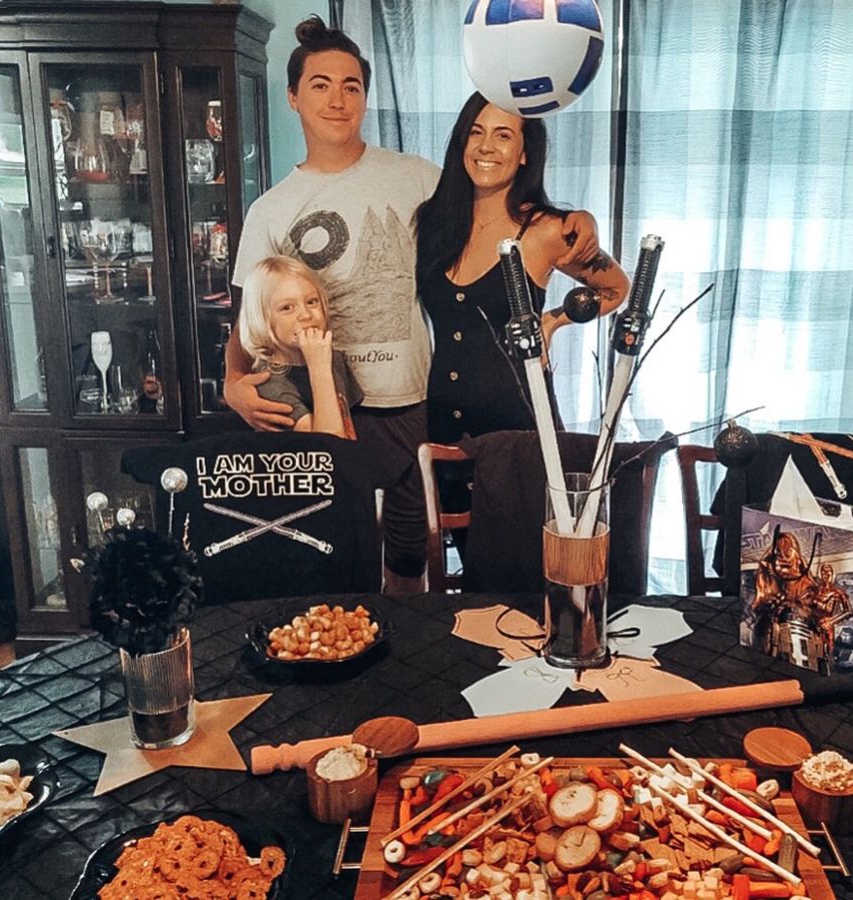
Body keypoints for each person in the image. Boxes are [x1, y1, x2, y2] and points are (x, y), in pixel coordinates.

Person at [225, 17, 603, 591]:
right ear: (293, 97)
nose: (337, 99)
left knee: (411, 560)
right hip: (321, 408)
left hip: (414, 406)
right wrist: (232, 385)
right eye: (321, 85)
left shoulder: (418, 179)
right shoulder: (270, 211)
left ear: (365, 97)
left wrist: (575, 220)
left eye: (351, 86)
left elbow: (503, 208)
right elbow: (246, 319)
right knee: (334, 557)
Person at [415, 92, 630, 445]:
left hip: (520, 425)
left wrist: (553, 321)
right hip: (443, 423)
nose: (486, 146)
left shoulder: (546, 230)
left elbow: (617, 289)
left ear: (525, 152)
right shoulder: (433, 221)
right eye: (476, 132)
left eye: (503, 135)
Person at [236, 255, 360, 437]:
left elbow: (349, 422)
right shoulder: (270, 385)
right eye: (287, 308)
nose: (306, 315)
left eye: (312, 302)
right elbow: (326, 444)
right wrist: (319, 367)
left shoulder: (334, 359)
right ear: (261, 320)